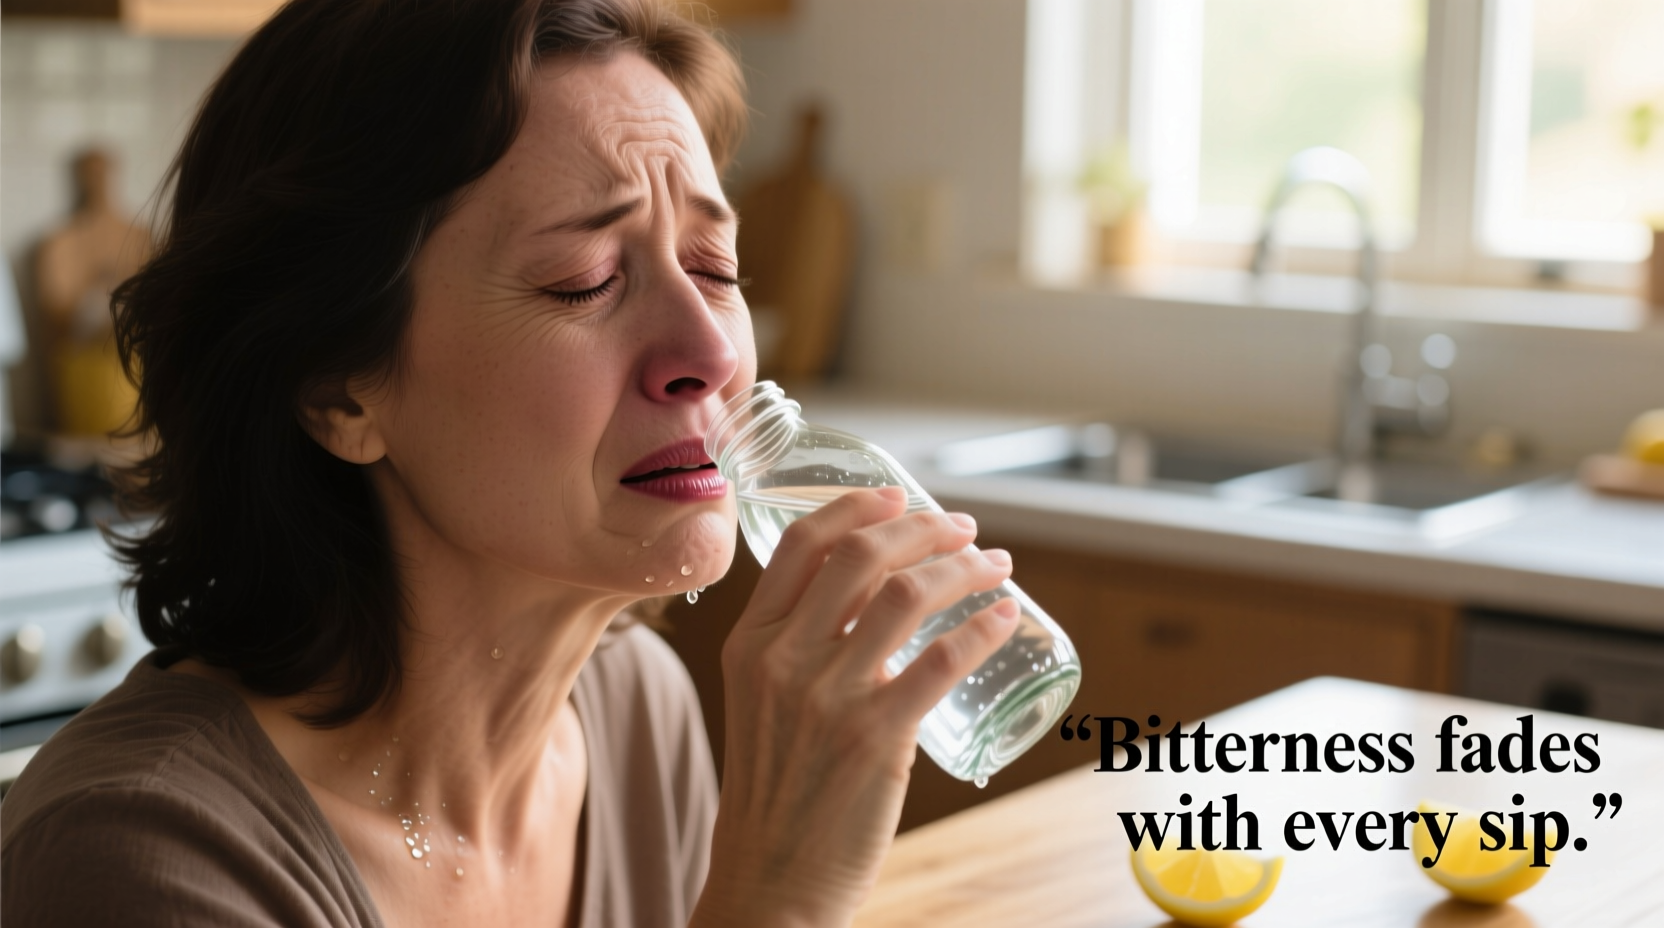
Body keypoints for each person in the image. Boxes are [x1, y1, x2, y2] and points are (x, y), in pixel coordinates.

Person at [0, 1, 1020, 925]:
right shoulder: (139, 860)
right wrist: (781, 897)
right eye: (584, 281)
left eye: (714, 267)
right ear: (338, 391)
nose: (711, 354)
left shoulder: (635, 709)